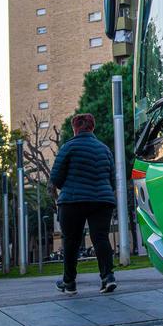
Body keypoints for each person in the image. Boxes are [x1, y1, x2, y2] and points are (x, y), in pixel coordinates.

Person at [51, 113, 118, 295]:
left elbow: (55, 178)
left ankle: (69, 283)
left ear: (75, 128)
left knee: (71, 241)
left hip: (73, 201)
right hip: (102, 201)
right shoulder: (104, 149)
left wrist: (68, 186)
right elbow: (112, 180)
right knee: (101, 238)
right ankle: (108, 277)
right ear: (92, 128)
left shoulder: (68, 147)